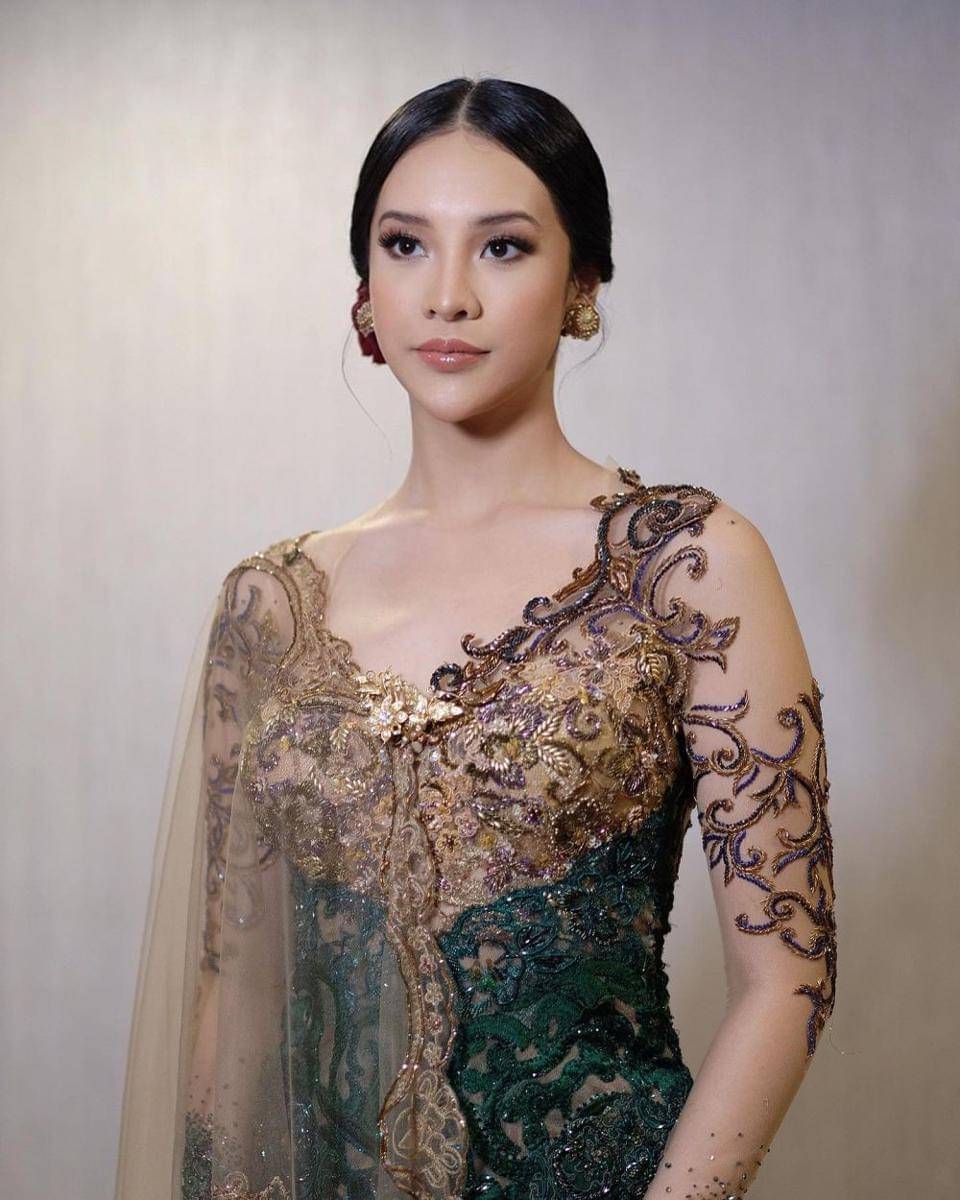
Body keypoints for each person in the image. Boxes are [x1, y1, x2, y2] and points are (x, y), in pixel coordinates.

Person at [114, 76, 837, 1200]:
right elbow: (235, 991)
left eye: (502, 248)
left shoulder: (684, 566)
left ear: (582, 282)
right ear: (365, 290)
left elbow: (788, 977)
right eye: (406, 246)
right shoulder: (269, 606)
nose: (447, 296)